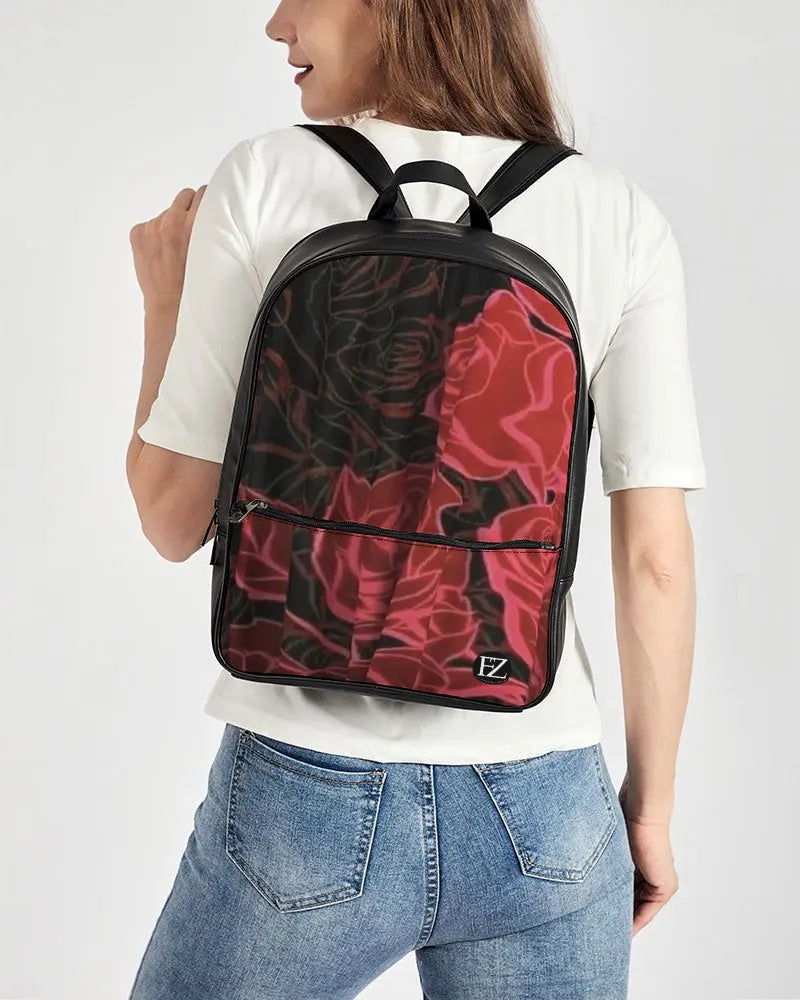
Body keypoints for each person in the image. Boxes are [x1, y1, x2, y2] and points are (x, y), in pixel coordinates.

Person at [125, 0, 707, 996]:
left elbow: (173, 518)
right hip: (546, 808)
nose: (276, 25)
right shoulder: (614, 212)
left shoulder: (263, 176)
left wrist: (165, 302)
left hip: (301, 799)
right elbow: (655, 557)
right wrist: (647, 812)